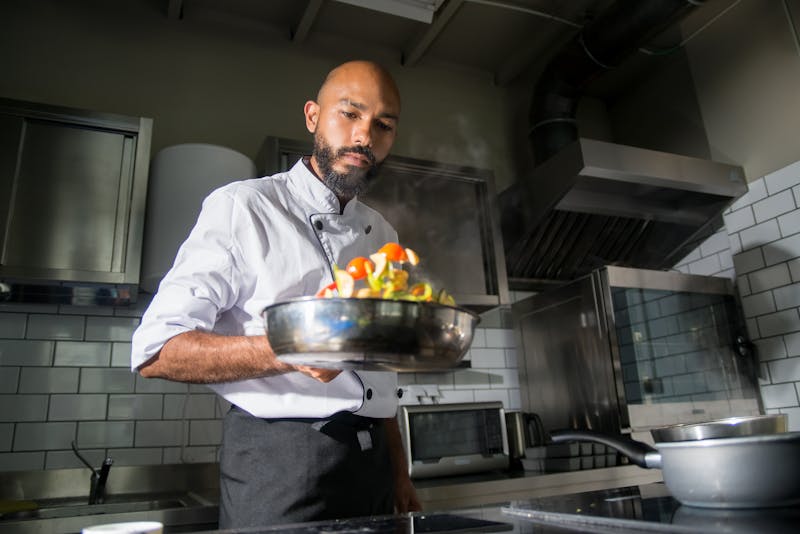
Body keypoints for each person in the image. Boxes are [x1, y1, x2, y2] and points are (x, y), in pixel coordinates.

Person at [130, 60, 421, 529]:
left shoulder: (384, 233)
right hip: (283, 465)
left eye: (383, 125)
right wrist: (290, 350)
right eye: (349, 113)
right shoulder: (243, 207)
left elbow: (376, 372)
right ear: (312, 117)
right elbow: (156, 351)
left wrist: (399, 473)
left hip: (374, 470)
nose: (365, 136)